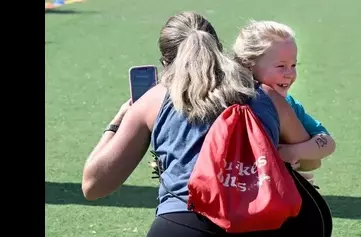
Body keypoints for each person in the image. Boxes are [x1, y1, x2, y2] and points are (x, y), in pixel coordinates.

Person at [82, 12, 316, 236]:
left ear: (166, 62)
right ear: (218, 50)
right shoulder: (266, 94)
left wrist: (118, 120)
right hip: (266, 221)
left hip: (183, 222)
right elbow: (311, 161)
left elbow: (93, 186)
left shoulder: (153, 100)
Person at [233, 20, 336, 175]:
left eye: (293, 65)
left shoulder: (288, 104)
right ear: (248, 65)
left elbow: (327, 142)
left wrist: (292, 151)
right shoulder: (230, 101)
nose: (290, 73)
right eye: (281, 66)